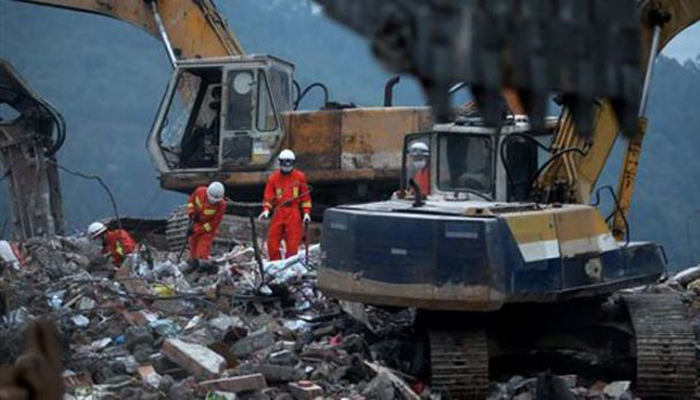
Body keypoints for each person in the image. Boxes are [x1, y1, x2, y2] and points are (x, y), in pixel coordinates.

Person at [258, 149, 312, 260]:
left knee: (293, 243)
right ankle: (276, 264)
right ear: (280, 162)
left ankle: (289, 266)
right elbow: (268, 196)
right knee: (272, 241)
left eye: (289, 162)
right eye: (284, 162)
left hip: (293, 212)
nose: (286, 165)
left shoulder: (299, 177)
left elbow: (305, 197)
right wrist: (266, 209)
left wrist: (306, 213)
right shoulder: (274, 178)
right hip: (279, 211)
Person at [186, 181, 226, 268]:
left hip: (207, 230)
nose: (212, 202)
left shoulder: (221, 205)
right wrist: (191, 212)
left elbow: (213, 224)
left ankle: (201, 267)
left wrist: (198, 230)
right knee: (192, 246)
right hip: (196, 222)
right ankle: (191, 265)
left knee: (202, 252)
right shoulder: (199, 191)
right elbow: (190, 201)